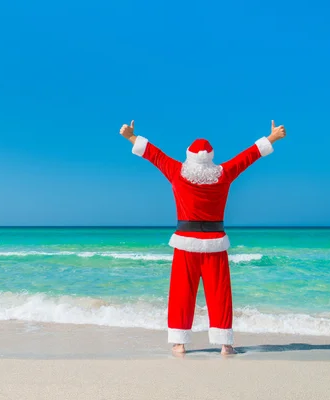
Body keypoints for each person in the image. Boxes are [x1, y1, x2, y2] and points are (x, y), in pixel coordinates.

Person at [119, 120, 286, 355]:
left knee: (181, 293)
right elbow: (248, 156)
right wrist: (272, 137)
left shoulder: (178, 172)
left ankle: (179, 343)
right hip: (215, 243)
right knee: (219, 293)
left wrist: (130, 136)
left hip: (185, 242)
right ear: (211, 156)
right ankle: (225, 344)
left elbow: (153, 154)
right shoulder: (223, 174)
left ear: (189, 156)